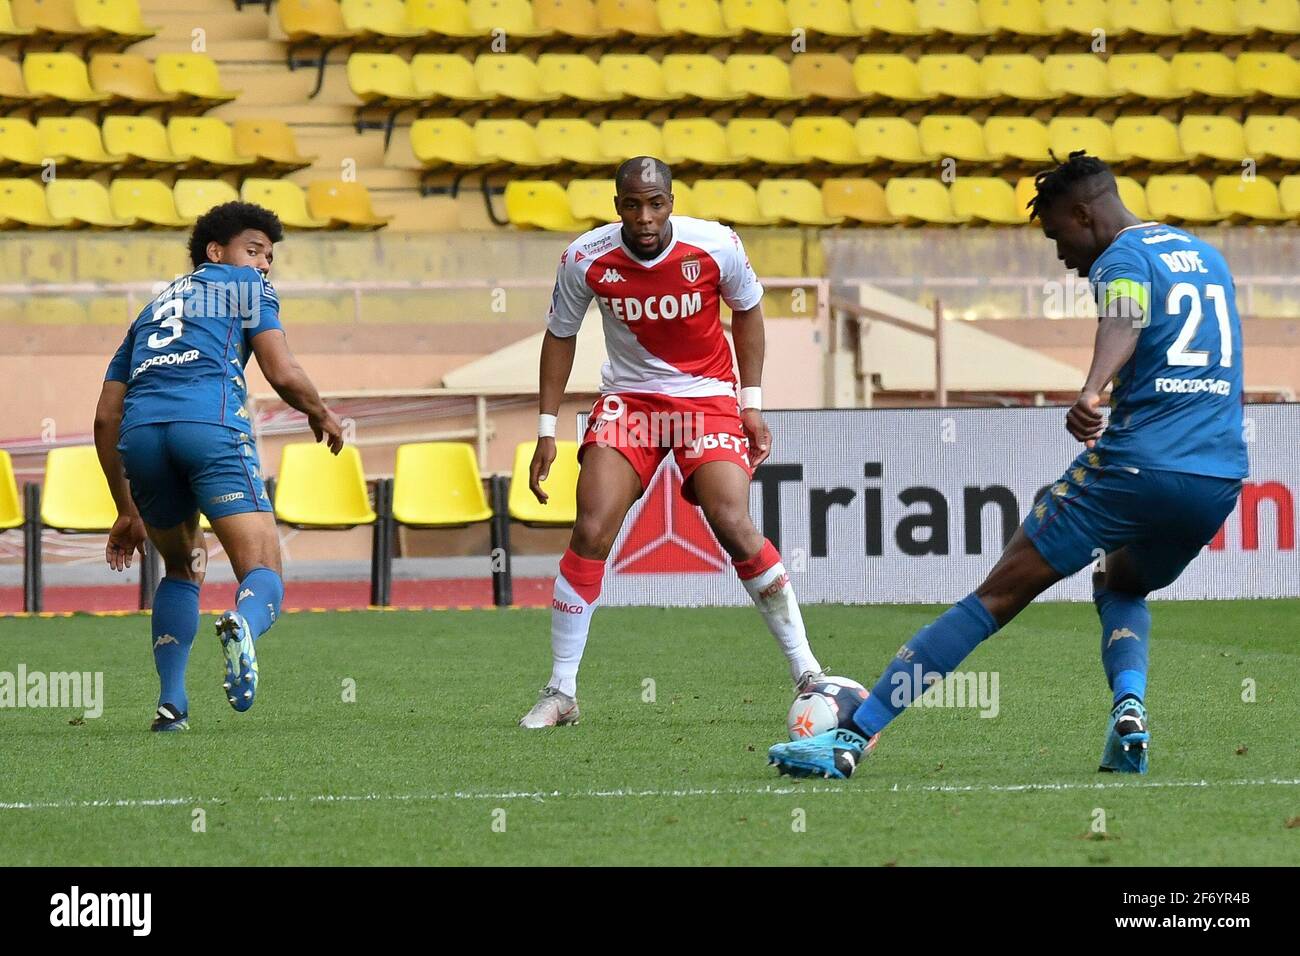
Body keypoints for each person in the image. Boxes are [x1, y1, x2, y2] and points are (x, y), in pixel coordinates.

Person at [768, 152, 1247, 778]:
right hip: (1219, 478)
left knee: (993, 599)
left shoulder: (1122, 259)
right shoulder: (1204, 256)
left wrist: (1092, 388)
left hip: (1134, 468)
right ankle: (1129, 709)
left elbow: (1126, 313)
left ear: (1082, 213)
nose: (1062, 257)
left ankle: (848, 740)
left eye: (1057, 236)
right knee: (1122, 583)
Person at [519, 156, 825, 728]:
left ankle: (808, 670)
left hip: (706, 399)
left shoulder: (716, 246)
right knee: (590, 528)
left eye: (655, 203)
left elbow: (750, 309)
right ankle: (561, 691)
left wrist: (751, 404)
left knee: (733, 522)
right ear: (617, 207)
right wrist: (545, 430)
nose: (645, 216)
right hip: (630, 402)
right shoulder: (585, 258)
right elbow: (560, 335)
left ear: (671, 203)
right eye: (632, 205)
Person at [93, 202, 344, 731]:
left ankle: (172, 705)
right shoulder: (244, 287)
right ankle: (244, 625)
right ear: (217, 252)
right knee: (263, 570)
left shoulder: (152, 309)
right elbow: (281, 370)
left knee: (183, 567)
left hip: (141, 436)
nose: (265, 264)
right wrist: (321, 412)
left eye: (270, 257)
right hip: (209, 428)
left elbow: (104, 417)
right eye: (255, 250)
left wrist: (125, 509)